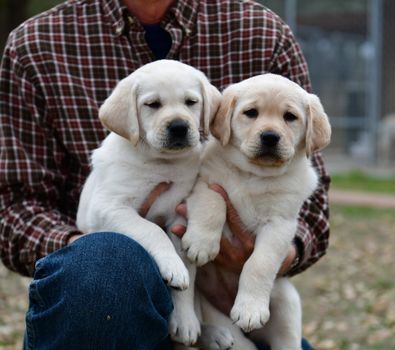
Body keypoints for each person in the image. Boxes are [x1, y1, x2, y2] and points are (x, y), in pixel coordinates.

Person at [0, 0, 330, 349]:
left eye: (191, 104)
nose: (177, 120)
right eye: (154, 105)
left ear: (209, 114)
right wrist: (86, 253)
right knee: (104, 263)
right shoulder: (35, 44)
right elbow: (13, 207)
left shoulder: (262, 31)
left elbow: (310, 202)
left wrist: (264, 257)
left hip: (226, 303)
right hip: (97, 303)